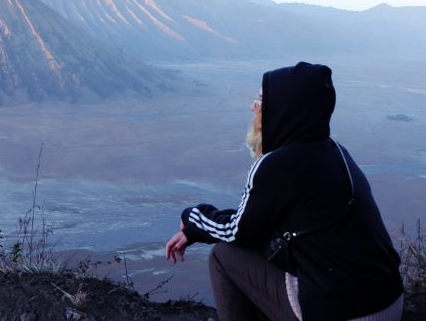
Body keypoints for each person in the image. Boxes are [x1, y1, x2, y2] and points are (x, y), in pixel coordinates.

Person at [165, 62, 403, 321]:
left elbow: (239, 232)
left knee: (224, 256)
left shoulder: (276, 165)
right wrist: (196, 231)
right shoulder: (334, 151)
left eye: (260, 99)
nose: (253, 107)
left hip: (344, 314)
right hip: (388, 302)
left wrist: (193, 216)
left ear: (284, 108)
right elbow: (258, 222)